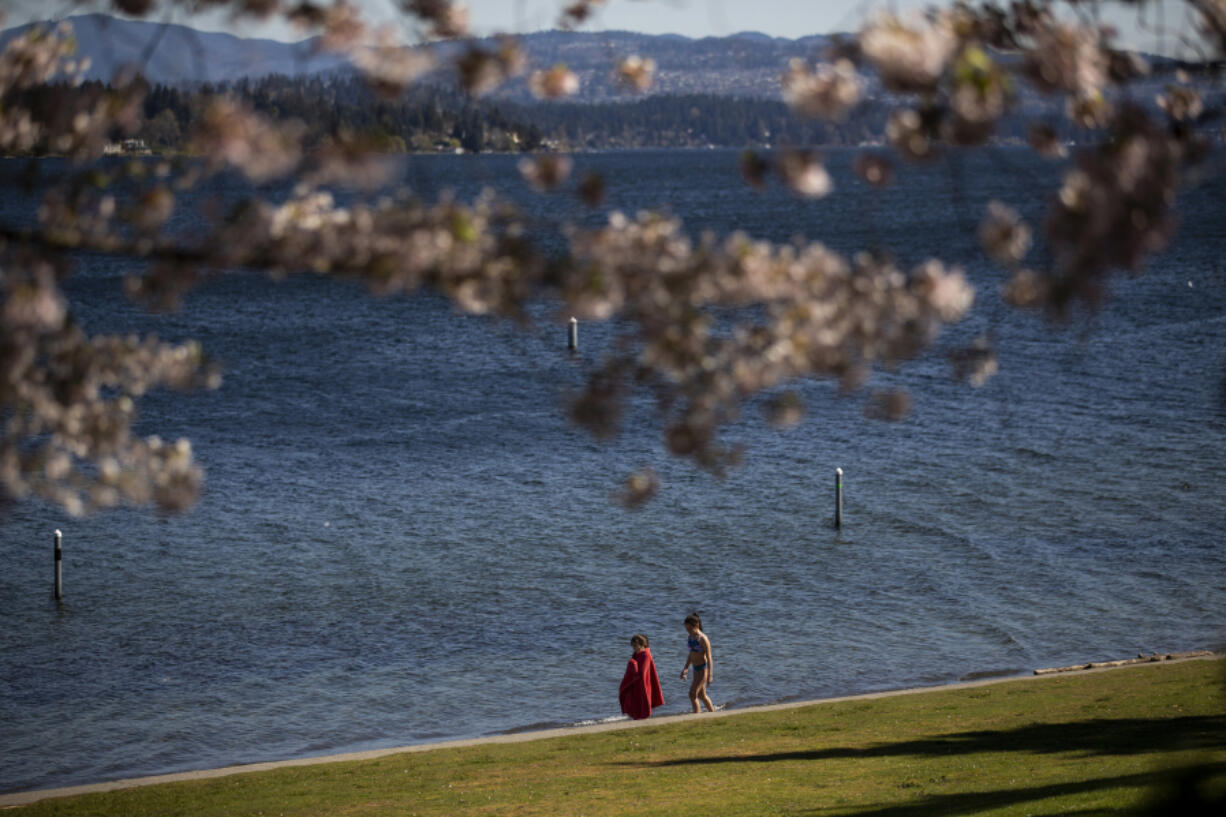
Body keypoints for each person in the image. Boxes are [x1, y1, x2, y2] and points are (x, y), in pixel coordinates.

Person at [619, 633, 664, 720]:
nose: (634, 648)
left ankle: (643, 719)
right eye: (633, 646)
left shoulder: (646, 655)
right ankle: (636, 717)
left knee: (643, 704)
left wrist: (633, 664)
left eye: (636, 646)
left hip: (643, 685)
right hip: (635, 684)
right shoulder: (636, 654)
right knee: (632, 702)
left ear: (642, 644)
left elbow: (643, 672)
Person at [680, 612, 715, 713]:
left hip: (703, 670)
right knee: (701, 695)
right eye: (686, 629)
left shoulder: (703, 639)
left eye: (690, 629)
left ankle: (696, 716)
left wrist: (710, 675)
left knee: (692, 694)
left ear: (697, 625)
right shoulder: (690, 637)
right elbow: (691, 654)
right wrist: (685, 668)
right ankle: (712, 713)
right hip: (695, 670)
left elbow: (709, 657)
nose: (688, 631)